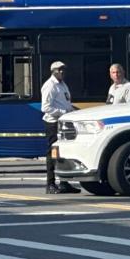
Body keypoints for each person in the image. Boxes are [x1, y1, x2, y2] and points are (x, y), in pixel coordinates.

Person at [41, 60, 79, 194]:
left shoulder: (62, 85)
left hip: (63, 122)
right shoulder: (50, 86)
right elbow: (45, 107)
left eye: (63, 69)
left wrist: (73, 110)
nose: (62, 72)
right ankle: (50, 184)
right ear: (53, 71)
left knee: (64, 152)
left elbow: (66, 103)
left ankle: (64, 182)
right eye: (59, 70)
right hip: (53, 123)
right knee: (52, 153)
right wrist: (64, 113)